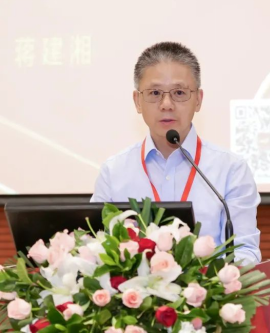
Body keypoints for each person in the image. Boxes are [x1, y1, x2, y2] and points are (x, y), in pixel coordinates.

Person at [90, 42, 261, 264]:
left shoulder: (231, 169)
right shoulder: (113, 173)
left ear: (198, 99)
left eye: (179, 92)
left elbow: (245, 251)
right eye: (154, 93)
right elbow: (96, 246)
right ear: (137, 101)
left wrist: (207, 279)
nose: (166, 104)